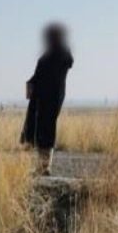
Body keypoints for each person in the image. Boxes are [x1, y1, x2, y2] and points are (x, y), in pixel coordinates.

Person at [21, 23, 74, 175]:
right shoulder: (48, 53)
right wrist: (31, 83)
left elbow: (68, 63)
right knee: (39, 130)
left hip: (51, 97)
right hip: (41, 97)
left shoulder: (62, 52)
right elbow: (39, 75)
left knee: (47, 129)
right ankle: (41, 166)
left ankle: (45, 167)